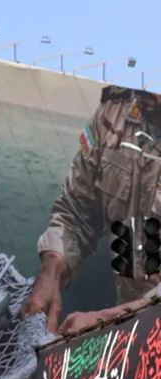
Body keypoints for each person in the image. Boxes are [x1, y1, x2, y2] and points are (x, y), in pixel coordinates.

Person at [22, 86, 161, 335]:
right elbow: (76, 212)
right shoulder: (115, 113)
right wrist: (52, 268)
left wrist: (112, 318)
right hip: (127, 331)